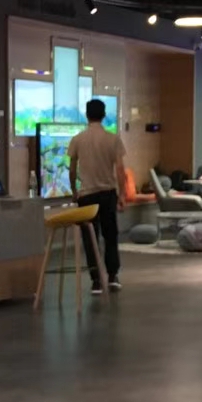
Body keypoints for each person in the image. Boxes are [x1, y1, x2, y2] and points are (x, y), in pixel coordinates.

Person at [67, 99, 126, 294]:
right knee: (110, 236)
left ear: (86, 115)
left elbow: (72, 170)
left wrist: (74, 192)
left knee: (90, 238)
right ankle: (113, 277)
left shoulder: (77, 139)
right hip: (108, 194)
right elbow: (120, 169)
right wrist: (122, 195)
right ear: (104, 115)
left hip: (86, 196)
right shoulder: (113, 139)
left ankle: (96, 281)